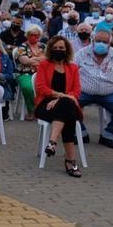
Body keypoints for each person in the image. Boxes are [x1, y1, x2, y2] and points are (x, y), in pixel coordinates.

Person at [35, 36, 84, 177]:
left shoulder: (73, 67)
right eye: (55, 48)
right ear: (50, 49)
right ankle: (71, 161)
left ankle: (52, 142)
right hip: (45, 104)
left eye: (61, 48)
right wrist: (60, 96)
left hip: (65, 102)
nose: (58, 50)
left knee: (66, 106)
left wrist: (59, 99)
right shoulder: (44, 65)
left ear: (67, 50)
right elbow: (41, 87)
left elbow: (76, 91)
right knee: (69, 113)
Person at [75, 29, 113, 148]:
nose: (101, 44)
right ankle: (81, 134)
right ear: (93, 40)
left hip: (109, 93)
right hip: (84, 92)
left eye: (104, 42)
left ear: (110, 43)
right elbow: (72, 71)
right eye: (98, 41)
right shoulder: (81, 53)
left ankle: (107, 136)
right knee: (69, 105)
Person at [14, 26, 45, 119]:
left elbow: (48, 59)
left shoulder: (43, 46)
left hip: (41, 73)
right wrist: (40, 59)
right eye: (32, 35)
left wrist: (33, 59)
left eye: (37, 35)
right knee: (28, 87)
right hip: (24, 73)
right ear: (27, 35)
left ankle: (45, 109)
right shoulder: (22, 47)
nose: (35, 37)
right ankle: (32, 110)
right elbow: (25, 61)